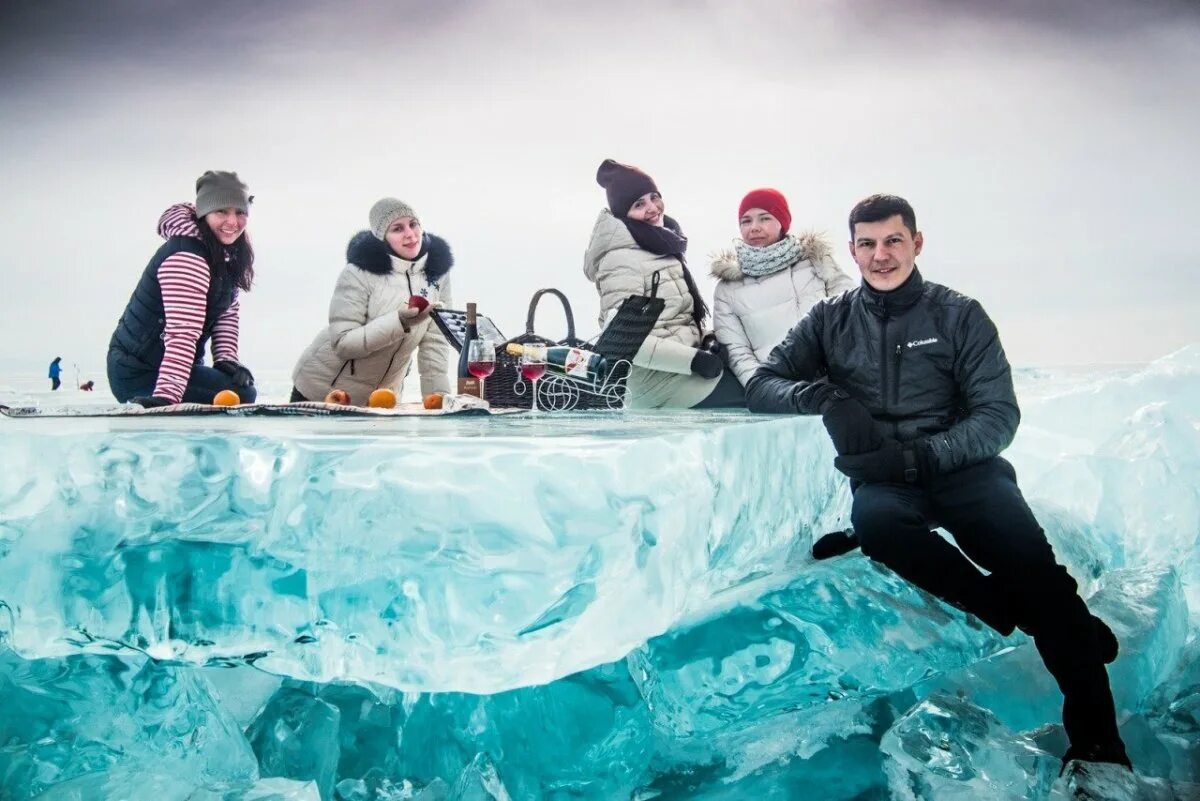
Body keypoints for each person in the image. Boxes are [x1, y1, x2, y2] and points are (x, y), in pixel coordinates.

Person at [746, 194, 1129, 769]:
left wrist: (927, 456)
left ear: (916, 243)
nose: (881, 255)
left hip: (963, 470)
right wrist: (820, 395)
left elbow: (998, 415)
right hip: (884, 479)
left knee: (1037, 571)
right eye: (868, 244)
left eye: (893, 241)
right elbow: (762, 383)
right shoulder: (830, 320)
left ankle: (1100, 746)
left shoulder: (958, 314)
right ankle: (1012, 609)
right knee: (876, 525)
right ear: (852, 251)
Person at [584, 159, 743, 409]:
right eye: (638, 204)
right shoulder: (620, 259)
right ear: (622, 213)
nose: (652, 208)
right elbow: (623, 340)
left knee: (763, 377)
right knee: (760, 394)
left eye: (654, 197)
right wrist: (695, 360)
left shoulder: (661, 244)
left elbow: (676, 318)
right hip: (656, 384)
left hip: (681, 370)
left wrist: (708, 340)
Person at [107, 171, 258, 406]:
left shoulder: (226, 257)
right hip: (140, 372)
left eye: (240, 212)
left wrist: (227, 360)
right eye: (222, 211)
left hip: (174, 367)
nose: (233, 222)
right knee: (243, 396)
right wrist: (167, 397)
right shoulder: (187, 257)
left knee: (240, 389)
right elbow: (183, 332)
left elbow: (227, 313)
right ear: (204, 213)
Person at [290, 198, 454, 405]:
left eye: (413, 224)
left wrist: (437, 398)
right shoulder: (358, 273)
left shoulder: (437, 274)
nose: (410, 234)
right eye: (397, 228)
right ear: (382, 237)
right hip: (324, 389)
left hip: (381, 399)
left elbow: (435, 340)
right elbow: (343, 343)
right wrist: (399, 322)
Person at [711, 188, 856, 388]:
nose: (754, 227)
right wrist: (763, 388)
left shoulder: (816, 261)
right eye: (746, 221)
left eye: (764, 218)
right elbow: (737, 351)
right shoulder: (727, 289)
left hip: (839, 381)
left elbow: (852, 314)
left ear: (782, 223)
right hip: (780, 390)